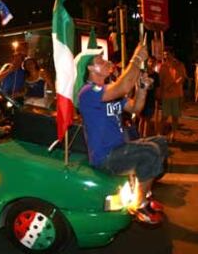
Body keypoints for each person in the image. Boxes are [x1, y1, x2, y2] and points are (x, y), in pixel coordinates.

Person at [75, 43, 168, 225]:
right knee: (150, 152)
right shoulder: (87, 92)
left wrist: (142, 89)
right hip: (106, 157)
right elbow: (124, 86)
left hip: (120, 148)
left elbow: (135, 107)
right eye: (100, 60)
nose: (106, 61)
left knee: (161, 142)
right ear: (90, 68)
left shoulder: (109, 90)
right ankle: (139, 204)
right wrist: (137, 58)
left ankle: (145, 194)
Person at [158, 51, 187, 142]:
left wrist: (173, 85)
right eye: (165, 55)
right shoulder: (163, 66)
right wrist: (160, 93)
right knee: (164, 116)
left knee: (175, 116)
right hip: (166, 95)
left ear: (172, 55)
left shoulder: (179, 65)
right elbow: (161, 81)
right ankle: (160, 134)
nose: (166, 56)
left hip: (177, 94)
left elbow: (182, 77)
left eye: (168, 54)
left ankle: (173, 135)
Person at [138, 56, 160, 137]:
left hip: (151, 99)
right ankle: (139, 137)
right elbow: (138, 85)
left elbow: (157, 88)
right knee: (141, 119)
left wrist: (157, 99)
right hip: (142, 99)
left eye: (153, 62)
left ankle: (144, 137)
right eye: (150, 61)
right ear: (147, 62)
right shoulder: (142, 73)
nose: (152, 63)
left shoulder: (156, 75)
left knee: (148, 119)